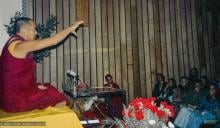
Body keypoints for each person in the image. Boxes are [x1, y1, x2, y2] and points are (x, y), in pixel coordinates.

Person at [0, 17, 83, 113]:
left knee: (49, 88)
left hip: (9, 96)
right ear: (24, 30)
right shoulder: (20, 45)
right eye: (34, 29)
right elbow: (53, 41)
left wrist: (33, 86)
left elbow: (16, 76)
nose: (36, 33)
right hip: (13, 101)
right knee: (57, 97)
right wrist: (71, 28)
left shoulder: (11, 42)